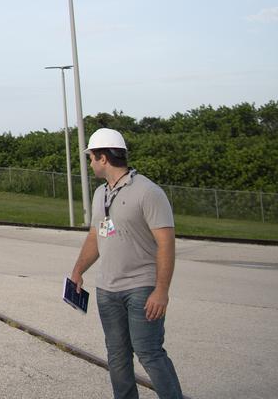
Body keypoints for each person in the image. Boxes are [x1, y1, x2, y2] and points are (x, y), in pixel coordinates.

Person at [70, 128, 184, 399]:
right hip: (107, 289)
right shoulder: (101, 194)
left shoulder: (148, 192)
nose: (90, 163)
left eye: (91, 157)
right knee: (117, 355)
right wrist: (77, 271)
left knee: (149, 352)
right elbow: (96, 235)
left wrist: (161, 291)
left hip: (141, 288)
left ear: (103, 158)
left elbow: (166, 243)